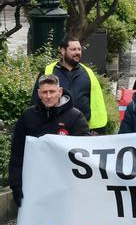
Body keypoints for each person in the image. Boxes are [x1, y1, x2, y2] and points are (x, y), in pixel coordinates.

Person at [12, 74, 90, 206]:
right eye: (44, 92)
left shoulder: (75, 117)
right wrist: (16, 184)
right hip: (35, 182)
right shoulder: (27, 116)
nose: (48, 96)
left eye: (52, 91)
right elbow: (17, 152)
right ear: (39, 93)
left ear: (60, 91)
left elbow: (85, 153)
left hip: (65, 184)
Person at [34, 37, 106, 131]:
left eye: (79, 49)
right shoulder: (48, 71)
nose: (77, 52)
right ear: (63, 51)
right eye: (73, 49)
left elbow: (97, 103)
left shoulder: (88, 73)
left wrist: (97, 130)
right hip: (53, 129)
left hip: (82, 130)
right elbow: (36, 100)